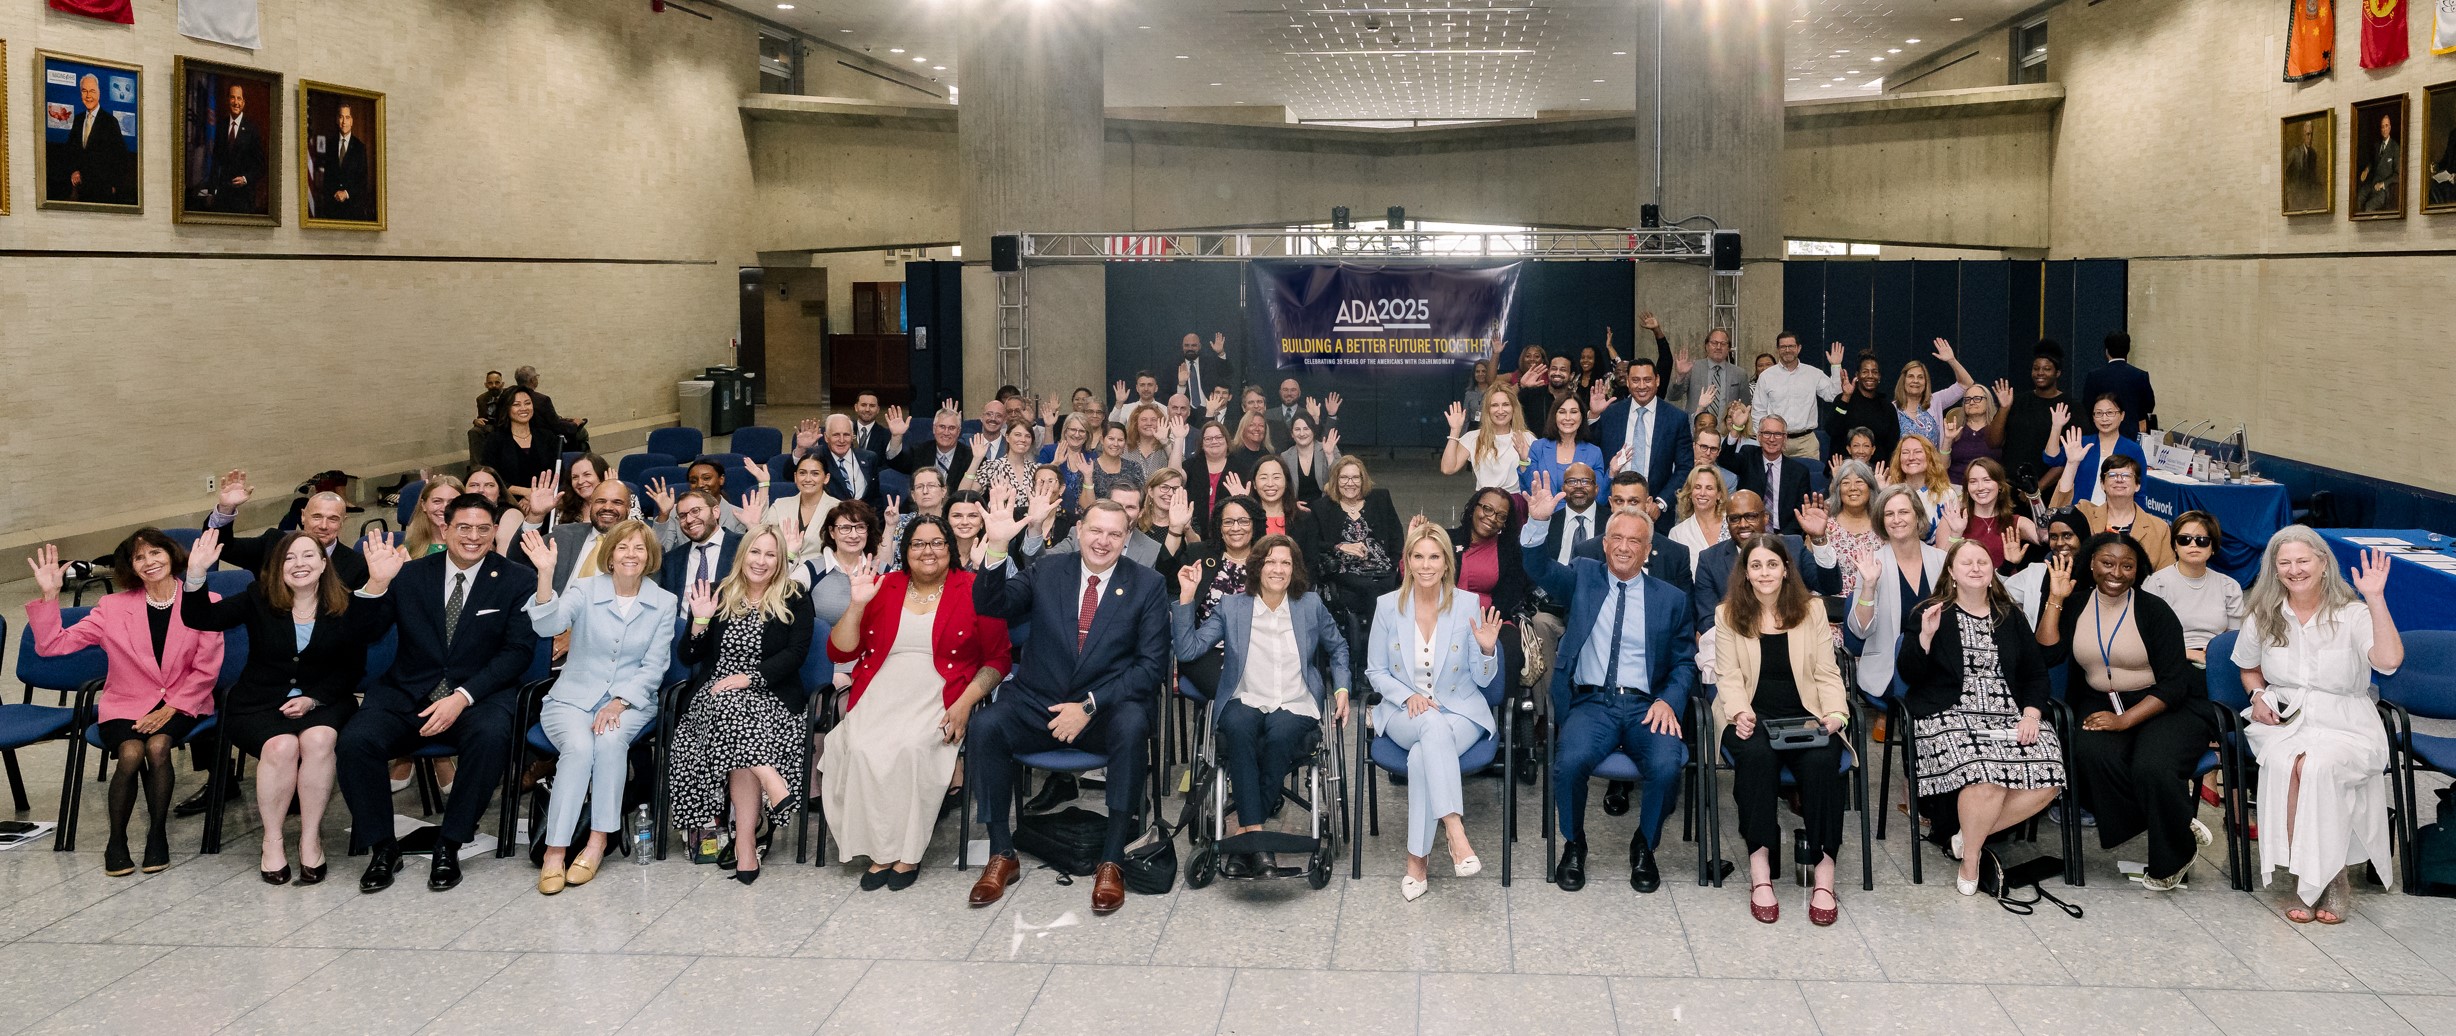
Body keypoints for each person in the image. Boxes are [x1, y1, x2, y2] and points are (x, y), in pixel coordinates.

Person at [966, 500, 1170, 916]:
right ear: (1078, 531)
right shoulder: (1047, 570)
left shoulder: (1147, 584)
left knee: (1134, 725)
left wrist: (1089, 706)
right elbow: (991, 606)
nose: (1103, 541)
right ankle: (1002, 852)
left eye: (1114, 534)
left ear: (1127, 539)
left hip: (1105, 709)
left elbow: (1150, 668)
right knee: (986, 726)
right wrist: (997, 548)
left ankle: (1112, 858)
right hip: (1037, 702)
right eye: (1096, 530)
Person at [176, 529, 404, 883]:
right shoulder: (258, 597)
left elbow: (353, 668)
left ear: (324, 563)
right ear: (277, 567)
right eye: (289, 558)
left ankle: (310, 838)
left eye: (308, 555)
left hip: (325, 699)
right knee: (281, 747)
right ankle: (273, 840)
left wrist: (313, 699)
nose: (299, 564)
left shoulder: (345, 603)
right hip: (259, 702)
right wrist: (195, 574)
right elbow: (200, 618)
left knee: (318, 740)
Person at [338, 494, 540, 894]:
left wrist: (462, 696)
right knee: (355, 742)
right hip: (408, 691)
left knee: (491, 736)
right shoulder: (410, 575)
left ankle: (450, 842)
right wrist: (376, 584)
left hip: (479, 694)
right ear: (445, 529)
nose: (473, 536)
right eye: (463, 527)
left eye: (483, 528)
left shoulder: (518, 579)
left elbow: (517, 652)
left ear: (495, 531)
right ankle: (383, 848)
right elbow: (364, 633)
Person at [1519, 474, 1697, 892]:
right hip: (1591, 704)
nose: (1623, 547)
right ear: (1604, 543)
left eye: (1634, 540)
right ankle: (1574, 844)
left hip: (1646, 706)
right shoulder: (1584, 575)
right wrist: (1539, 523)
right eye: (1616, 537)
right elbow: (1538, 567)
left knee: (1667, 765)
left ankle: (1644, 846)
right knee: (1568, 763)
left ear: (1647, 549)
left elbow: (1684, 662)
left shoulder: (1670, 599)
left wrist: (1669, 700)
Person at [824, 517, 1010, 890]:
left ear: (949, 549)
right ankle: (880, 851)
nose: (928, 551)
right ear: (905, 551)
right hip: (880, 688)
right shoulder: (884, 585)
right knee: (859, 747)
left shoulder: (974, 588)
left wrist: (965, 703)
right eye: (918, 544)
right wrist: (857, 605)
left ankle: (907, 853)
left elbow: (998, 659)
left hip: (942, 691)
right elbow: (840, 651)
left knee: (911, 749)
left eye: (937, 543)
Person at [25, 533, 226, 876]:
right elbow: (52, 646)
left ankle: (157, 835)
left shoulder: (206, 600)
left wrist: (171, 708)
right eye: (139, 558)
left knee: (158, 747)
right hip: (126, 703)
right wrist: (50, 595)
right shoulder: (112, 608)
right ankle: (116, 841)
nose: (149, 562)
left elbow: (207, 668)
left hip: (183, 701)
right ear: (130, 567)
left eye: (155, 552)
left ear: (171, 554)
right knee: (131, 752)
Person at [2235, 530, 2402, 922]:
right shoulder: (2264, 613)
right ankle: (2311, 874)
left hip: (2347, 723)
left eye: (2303, 561)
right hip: (2285, 719)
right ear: (2274, 569)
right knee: (2288, 764)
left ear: (2323, 563)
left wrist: (2376, 599)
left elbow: (2389, 661)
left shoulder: (2353, 613)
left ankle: (2331, 877)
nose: (2294, 570)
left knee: (2316, 766)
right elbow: (2248, 667)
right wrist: (2257, 696)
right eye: (2284, 563)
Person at [2035, 532, 2211, 891]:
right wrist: (2055, 599)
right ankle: (2174, 817)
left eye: (2127, 566)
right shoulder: (2076, 603)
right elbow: (2048, 653)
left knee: (2152, 766)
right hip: (2101, 700)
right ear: (2092, 564)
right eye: (2107, 563)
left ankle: (2172, 858)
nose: (2116, 573)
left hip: (2166, 705)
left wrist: (2124, 721)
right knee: (2087, 753)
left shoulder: (2154, 610)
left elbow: (2175, 684)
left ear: (2138, 570)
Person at [1172, 535, 1350, 879]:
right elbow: (1188, 650)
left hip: (1295, 699)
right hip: (1246, 696)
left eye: (1285, 562)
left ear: (1294, 569)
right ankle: (1255, 835)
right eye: (1270, 561)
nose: (1278, 569)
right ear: (1257, 567)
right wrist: (1187, 598)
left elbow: (1339, 648)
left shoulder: (1309, 604)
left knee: (1280, 734)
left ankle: (1245, 837)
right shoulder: (1233, 606)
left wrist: (1342, 688)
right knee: (1238, 729)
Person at [1896, 539, 2065, 895]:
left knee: (2051, 772)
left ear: (1992, 572)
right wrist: (1925, 637)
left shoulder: (2010, 616)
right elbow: (1909, 674)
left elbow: (2036, 674)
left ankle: (1965, 838)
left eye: (1982, 562)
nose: (1975, 568)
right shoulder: (1930, 612)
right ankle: (1971, 860)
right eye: (1966, 562)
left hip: (2007, 715)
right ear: (1951, 573)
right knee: (1986, 773)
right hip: (1947, 715)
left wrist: (2031, 714)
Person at [518, 521, 675, 895]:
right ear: (610, 555)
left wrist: (619, 703)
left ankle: (597, 841)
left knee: (608, 742)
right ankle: (555, 851)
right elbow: (548, 626)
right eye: (623, 547)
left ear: (649, 556)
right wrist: (545, 574)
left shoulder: (664, 602)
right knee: (578, 747)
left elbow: (654, 667)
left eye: (639, 548)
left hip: (631, 701)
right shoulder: (584, 590)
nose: (631, 554)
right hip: (572, 698)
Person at [667, 525, 813, 885]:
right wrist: (700, 621)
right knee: (730, 707)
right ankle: (771, 784)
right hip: (715, 696)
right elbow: (688, 656)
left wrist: (750, 678)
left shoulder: (794, 596)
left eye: (770, 554)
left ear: (780, 560)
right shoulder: (718, 592)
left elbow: (795, 654)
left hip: (771, 695)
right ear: (742, 554)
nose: (761, 561)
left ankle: (745, 842)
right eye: (755, 552)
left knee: (738, 727)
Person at [1715, 537, 1851, 925]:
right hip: (1751, 714)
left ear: (1786, 569)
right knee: (1757, 757)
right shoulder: (1727, 614)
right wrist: (1740, 712)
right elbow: (1728, 676)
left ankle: (1824, 875)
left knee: (1824, 761)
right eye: (1756, 566)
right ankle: (1760, 870)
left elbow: (1826, 671)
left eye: (1772, 564)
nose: (1764, 573)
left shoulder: (1811, 610)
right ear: (1745, 573)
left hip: (1806, 713)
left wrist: (1836, 714)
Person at [1364, 523, 1501, 900]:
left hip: (1460, 711)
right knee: (1429, 724)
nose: (1426, 565)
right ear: (1407, 560)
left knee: (1423, 755)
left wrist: (1487, 650)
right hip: (1404, 712)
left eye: (1434, 557)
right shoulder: (1387, 606)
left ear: (1446, 564)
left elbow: (1483, 680)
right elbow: (1375, 671)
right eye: (1418, 556)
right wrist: (1407, 695)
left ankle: (1417, 862)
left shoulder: (1467, 604)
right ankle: (1455, 832)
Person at [1846, 484, 1948, 701]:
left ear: (1917, 516)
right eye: (1889, 514)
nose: (1896, 519)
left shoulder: (1941, 560)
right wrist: (1869, 585)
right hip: (1889, 668)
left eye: (1903, 512)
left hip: (1938, 662)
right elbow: (1860, 630)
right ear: (1882, 521)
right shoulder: (1872, 563)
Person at [1160, 494, 1262, 700]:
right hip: (1204, 649)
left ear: (1254, 524)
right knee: (1236, 692)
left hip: (1257, 647)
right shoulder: (1200, 553)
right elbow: (1164, 573)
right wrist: (1175, 530)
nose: (1236, 528)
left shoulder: (1268, 559)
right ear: (1219, 527)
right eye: (1228, 522)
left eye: (1243, 521)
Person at [203, 472, 370, 589]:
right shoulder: (272, 544)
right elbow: (222, 548)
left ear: (343, 522)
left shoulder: (357, 566)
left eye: (333, 519)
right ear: (303, 516)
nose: (323, 525)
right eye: (317, 517)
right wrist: (226, 509)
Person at [2143, 511, 2243, 664]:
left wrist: (2215, 653)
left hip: (2216, 658)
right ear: (2175, 546)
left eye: (2202, 540)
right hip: (2169, 657)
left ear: (2213, 547)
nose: (2193, 545)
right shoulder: (2156, 583)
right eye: (2184, 539)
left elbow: (2235, 637)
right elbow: (2147, 636)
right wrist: (2189, 653)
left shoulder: (2229, 586)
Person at [2054, 448, 2172, 571]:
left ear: (2137, 485)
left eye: (2126, 475)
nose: (2119, 479)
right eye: (2112, 475)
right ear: (2102, 484)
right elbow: (2056, 517)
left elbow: (2167, 575)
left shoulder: (2159, 528)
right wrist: (2071, 464)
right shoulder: (2085, 513)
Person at [1595, 357, 1692, 500]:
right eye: (1635, 380)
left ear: (1657, 380)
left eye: (1647, 380)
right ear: (1628, 382)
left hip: (1655, 504)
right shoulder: (1610, 414)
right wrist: (1594, 415)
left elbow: (1685, 467)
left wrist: (1661, 502)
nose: (1641, 386)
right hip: (1614, 503)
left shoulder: (1676, 418)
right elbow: (1592, 451)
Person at [2042, 395, 2149, 507]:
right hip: (2080, 511)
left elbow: (2140, 492)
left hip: (2116, 514)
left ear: (2122, 415)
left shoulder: (2133, 449)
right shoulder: (2082, 443)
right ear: (2093, 417)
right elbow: (2051, 459)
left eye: (2110, 413)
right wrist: (2056, 427)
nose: (2104, 418)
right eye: (2098, 413)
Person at [1750, 334, 1845, 460]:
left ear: (1799, 348)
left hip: (1806, 444)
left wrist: (1836, 366)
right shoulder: (1766, 377)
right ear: (1777, 350)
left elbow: (1833, 395)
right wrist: (1762, 439)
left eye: (1791, 346)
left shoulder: (1813, 373)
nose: (1787, 350)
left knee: (1811, 472)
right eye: (1783, 347)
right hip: (1775, 441)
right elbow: (1758, 411)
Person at [1936, 457, 2040, 570]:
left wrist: (2035, 497)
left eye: (1987, 480)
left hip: (2006, 581)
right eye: (1973, 482)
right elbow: (1941, 566)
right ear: (1967, 488)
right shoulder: (1953, 519)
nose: (1980, 487)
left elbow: (2045, 536)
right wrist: (1956, 534)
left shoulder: (2015, 521)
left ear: (2000, 485)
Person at [2001, 341, 2070, 493]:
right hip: (2010, 487)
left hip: (2047, 491)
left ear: (2058, 373)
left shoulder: (2070, 406)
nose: (2040, 373)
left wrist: (2036, 489)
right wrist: (2004, 408)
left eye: (2047, 369)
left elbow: (2069, 456)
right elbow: (1994, 441)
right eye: (2036, 368)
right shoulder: (2017, 401)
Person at [1732, 416, 1818, 536]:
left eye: (1777, 434)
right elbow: (1725, 458)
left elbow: (1801, 511)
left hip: (1783, 535)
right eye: (1767, 433)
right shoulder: (1748, 457)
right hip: (1749, 532)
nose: (1772, 439)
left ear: (1785, 438)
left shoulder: (1799, 472)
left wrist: (1783, 536)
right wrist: (1736, 428)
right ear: (1759, 436)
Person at [53, 73, 131, 204]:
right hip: (81, 191)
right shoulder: (78, 120)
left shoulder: (110, 122)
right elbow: (70, 151)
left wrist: (113, 186)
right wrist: (74, 171)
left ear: (99, 93)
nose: (88, 95)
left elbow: (121, 156)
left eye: (92, 91)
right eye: (84, 91)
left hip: (102, 191)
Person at [1442, 387, 1533, 493]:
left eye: (1505, 404)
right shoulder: (1473, 437)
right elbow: (1448, 468)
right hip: (1485, 499)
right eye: (1494, 405)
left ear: (1514, 408)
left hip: (1517, 499)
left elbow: (1535, 476)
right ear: (1487, 410)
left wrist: (1524, 461)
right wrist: (1455, 430)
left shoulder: (1527, 438)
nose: (1500, 411)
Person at [1892, 339, 1979, 447]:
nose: (1915, 381)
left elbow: (1966, 384)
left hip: (1936, 458)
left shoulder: (1935, 400)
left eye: (1920, 377)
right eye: (1911, 376)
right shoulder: (1892, 409)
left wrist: (1952, 360)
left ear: (1926, 382)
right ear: (1903, 381)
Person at [482, 387, 564, 502]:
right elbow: (490, 477)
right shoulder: (494, 440)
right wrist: (525, 493)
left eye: (527, 403)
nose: (524, 408)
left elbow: (559, 473)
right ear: (506, 408)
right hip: (508, 501)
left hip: (546, 498)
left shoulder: (547, 436)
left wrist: (535, 497)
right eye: (516, 405)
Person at [1665, 324, 1751, 425]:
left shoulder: (1739, 373)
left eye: (1723, 344)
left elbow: (1745, 407)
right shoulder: (1692, 368)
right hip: (1696, 428)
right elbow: (1672, 397)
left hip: (1726, 430)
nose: (1718, 347)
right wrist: (1680, 377)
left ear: (1728, 348)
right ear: (1706, 346)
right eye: (1714, 343)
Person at [1824, 353, 1899, 465]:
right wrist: (1846, 398)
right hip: (1844, 467)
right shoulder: (1844, 399)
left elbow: (1893, 445)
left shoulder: (1887, 407)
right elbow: (1832, 429)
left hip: (1877, 469)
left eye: (1874, 372)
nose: (1870, 376)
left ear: (1879, 377)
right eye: (1865, 372)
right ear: (1857, 375)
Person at [201, 83, 265, 213]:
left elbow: (261, 165)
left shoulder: (252, 129)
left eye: (239, 98)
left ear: (243, 103)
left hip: (244, 198)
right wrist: (211, 192)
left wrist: (245, 179)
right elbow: (215, 161)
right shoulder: (221, 126)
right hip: (222, 197)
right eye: (232, 97)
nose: (236, 102)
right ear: (228, 100)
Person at [1825, 460, 1883, 601]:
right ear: (1838, 490)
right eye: (1845, 483)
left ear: (1870, 487)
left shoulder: (1883, 524)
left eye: (1859, 482)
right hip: (1831, 602)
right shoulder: (1824, 524)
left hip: (1876, 599)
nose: (1852, 488)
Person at [2081, 333, 2156, 438]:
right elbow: (2149, 405)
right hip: (2131, 433)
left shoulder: (2094, 376)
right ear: (2128, 350)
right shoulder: (2140, 375)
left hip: (2102, 432)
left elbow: (2087, 406)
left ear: (2106, 351)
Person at [774, 455, 840, 566]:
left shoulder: (839, 509)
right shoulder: (780, 505)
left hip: (821, 572)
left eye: (815, 474)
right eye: (802, 473)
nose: (808, 479)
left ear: (826, 478)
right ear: (795, 477)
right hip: (782, 570)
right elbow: (764, 540)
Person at [811, 415, 887, 511]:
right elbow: (793, 474)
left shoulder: (869, 458)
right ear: (826, 437)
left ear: (852, 436)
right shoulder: (817, 457)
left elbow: (875, 499)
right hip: (830, 517)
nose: (841, 440)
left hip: (864, 517)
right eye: (836, 435)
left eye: (846, 435)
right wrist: (800, 449)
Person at [1944, 381, 2012, 483]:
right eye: (1967, 399)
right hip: (1956, 485)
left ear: (1987, 401)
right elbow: (1942, 466)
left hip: (1988, 486)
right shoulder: (1955, 428)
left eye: (1977, 398)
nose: (1971, 402)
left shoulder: (1998, 428)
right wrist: (1947, 440)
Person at [1667, 465, 1729, 575]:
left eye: (1709, 488)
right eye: (1697, 487)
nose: (1702, 493)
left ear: (1719, 494)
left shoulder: (1733, 524)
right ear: (1690, 492)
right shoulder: (1677, 533)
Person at [891, 404, 975, 484]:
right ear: (934, 429)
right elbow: (896, 462)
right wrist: (896, 436)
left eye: (951, 428)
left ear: (958, 432)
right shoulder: (919, 451)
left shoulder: (970, 457)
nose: (946, 432)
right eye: (942, 427)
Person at [1886, 433, 1955, 525]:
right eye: (1905, 452)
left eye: (1918, 452)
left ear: (1930, 457)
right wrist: (1881, 493)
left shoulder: (1946, 495)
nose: (1911, 457)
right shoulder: (1889, 492)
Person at [321, 102, 374, 221]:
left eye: (347, 117)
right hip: (332, 210)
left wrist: (346, 193)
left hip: (353, 210)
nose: (344, 122)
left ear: (352, 121)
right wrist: (333, 193)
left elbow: (363, 181)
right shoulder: (330, 145)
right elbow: (327, 179)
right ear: (337, 120)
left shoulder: (360, 147)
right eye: (341, 117)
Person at [965, 420, 1041, 503]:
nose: (1023, 439)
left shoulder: (1036, 469)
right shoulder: (992, 466)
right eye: (1017, 435)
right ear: (1007, 437)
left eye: (1028, 436)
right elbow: (964, 495)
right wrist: (976, 459)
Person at [1281, 413, 1338, 504]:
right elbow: (1283, 488)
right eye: (1297, 429)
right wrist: (1293, 504)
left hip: (1327, 505)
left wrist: (1329, 455)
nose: (1302, 433)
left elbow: (1340, 477)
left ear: (1313, 431)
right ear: (1292, 434)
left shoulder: (1329, 447)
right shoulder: (1285, 456)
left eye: (1306, 429)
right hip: (1297, 508)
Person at [402, 474, 464, 555]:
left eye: (452, 502)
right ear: (423, 505)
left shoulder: (473, 546)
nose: (444, 508)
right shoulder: (407, 549)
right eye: (437, 501)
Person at [1178, 331, 1235, 405]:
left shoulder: (1209, 362)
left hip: (1210, 407)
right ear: (1182, 346)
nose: (1190, 348)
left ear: (1199, 346)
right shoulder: (1173, 366)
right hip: (1184, 409)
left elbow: (1227, 374)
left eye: (1194, 345)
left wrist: (1221, 353)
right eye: (1186, 345)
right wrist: (1181, 385)